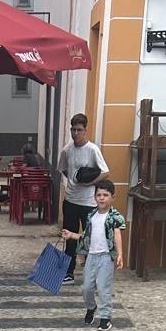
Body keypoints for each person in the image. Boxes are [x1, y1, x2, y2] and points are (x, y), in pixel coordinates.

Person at [61, 177, 124, 331]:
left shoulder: (114, 216)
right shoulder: (91, 216)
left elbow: (117, 235)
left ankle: (105, 318)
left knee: (103, 288)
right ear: (94, 197)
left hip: (106, 257)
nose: (102, 198)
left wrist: (120, 254)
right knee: (87, 288)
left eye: (105, 195)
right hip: (91, 256)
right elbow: (86, 236)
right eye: (99, 195)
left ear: (112, 197)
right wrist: (71, 235)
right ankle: (91, 307)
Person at [58, 112, 108, 283]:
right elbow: (63, 168)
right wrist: (73, 179)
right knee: (69, 238)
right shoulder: (67, 150)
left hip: (88, 202)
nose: (75, 133)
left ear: (85, 130)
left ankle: (93, 274)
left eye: (79, 130)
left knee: (91, 238)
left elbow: (105, 172)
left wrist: (90, 183)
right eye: (73, 129)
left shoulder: (92, 149)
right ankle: (68, 272)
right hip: (70, 200)